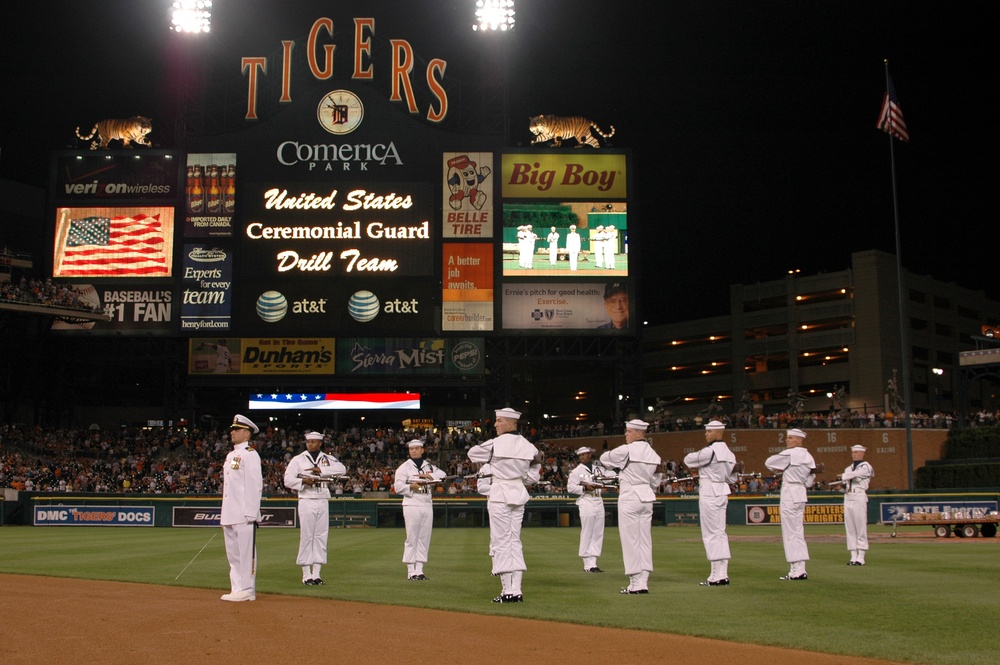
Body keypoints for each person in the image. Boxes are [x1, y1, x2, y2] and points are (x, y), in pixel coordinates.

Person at [467, 407, 541, 603]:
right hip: (518, 492)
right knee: (514, 540)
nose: (496, 424)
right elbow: (534, 475)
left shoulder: (494, 444)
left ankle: (508, 591)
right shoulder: (530, 447)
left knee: (501, 542)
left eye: (499, 421)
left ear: (510, 424)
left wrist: (495, 467)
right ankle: (517, 590)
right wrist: (517, 476)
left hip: (500, 493)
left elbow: (472, 454)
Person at [600, 419, 661, 594]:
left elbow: (605, 458)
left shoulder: (626, 450)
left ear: (639, 433)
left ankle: (635, 582)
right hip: (647, 496)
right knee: (645, 540)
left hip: (630, 496)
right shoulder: (653, 453)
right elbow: (656, 479)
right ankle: (643, 581)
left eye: (629, 431)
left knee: (630, 540)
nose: (626, 434)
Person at [282, 431, 347, 586]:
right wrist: (304, 481)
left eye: (313, 442)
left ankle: (317, 574)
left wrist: (321, 471)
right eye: (308, 441)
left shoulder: (327, 458)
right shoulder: (298, 459)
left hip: (323, 498)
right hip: (306, 498)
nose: (310, 444)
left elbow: (342, 469)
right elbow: (288, 480)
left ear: (319, 443)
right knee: (307, 536)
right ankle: (306, 574)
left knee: (321, 536)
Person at [683, 420, 738, 586]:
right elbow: (732, 478)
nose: (705, 434)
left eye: (708, 431)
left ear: (716, 432)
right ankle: (722, 573)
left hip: (710, 492)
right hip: (722, 491)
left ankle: (716, 575)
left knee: (711, 534)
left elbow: (688, 460)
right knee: (720, 532)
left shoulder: (710, 451)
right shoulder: (730, 454)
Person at [765, 428, 820, 580]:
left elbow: (769, 463)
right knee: (798, 531)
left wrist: (781, 469)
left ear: (799, 440)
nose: (787, 440)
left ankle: (795, 569)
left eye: (790, 438)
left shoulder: (790, 454)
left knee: (790, 532)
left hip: (790, 491)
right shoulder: (808, 456)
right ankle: (800, 568)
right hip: (801, 491)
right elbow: (811, 479)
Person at [220, 414, 262, 602]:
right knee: (233, 554)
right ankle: (236, 587)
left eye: (236, 430)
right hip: (230, 512)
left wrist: (252, 513)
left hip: (244, 513)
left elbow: (254, 485)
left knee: (246, 553)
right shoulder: (232, 455)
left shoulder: (250, 454)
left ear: (246, 433)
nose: (232, 432)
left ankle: (247, 589)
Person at [393, 438, 448, 580]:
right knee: (412, 537)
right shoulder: (404, 467)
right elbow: (398, 487)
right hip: (411, 502)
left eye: (417, 448)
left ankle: (420, 569)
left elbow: (443, 475)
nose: (414, 451)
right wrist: (411, 486)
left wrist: (429, 476)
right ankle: (411, 571)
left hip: (426, 502)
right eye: (411, 449)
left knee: (424, 537)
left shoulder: (428, 466)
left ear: (422, 450)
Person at [566, 446, 611, 573]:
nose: (582, 457)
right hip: (586, 500)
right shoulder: (576, 471)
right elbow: (570, 487)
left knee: (598, 532)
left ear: (589, 455)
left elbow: (609, 477)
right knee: (587, 531)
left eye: (584, 455)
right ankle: (587, 563)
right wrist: (585, 488)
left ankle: (594, 562)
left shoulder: (599, 469)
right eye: (580, 456)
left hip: (598, 500)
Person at [839, 444, 874, 566]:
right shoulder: (848, 468)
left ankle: (861, 556)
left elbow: (855, 475)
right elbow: (846, 482)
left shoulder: (866, 466)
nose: (854, 454)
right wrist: (840, 486)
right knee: (850, 527)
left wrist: (843, 476)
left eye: (857, 452)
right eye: (853, 452)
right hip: (848, 496)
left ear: (862, 453)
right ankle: (853, 556)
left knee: (860, 526)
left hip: (859, 495)